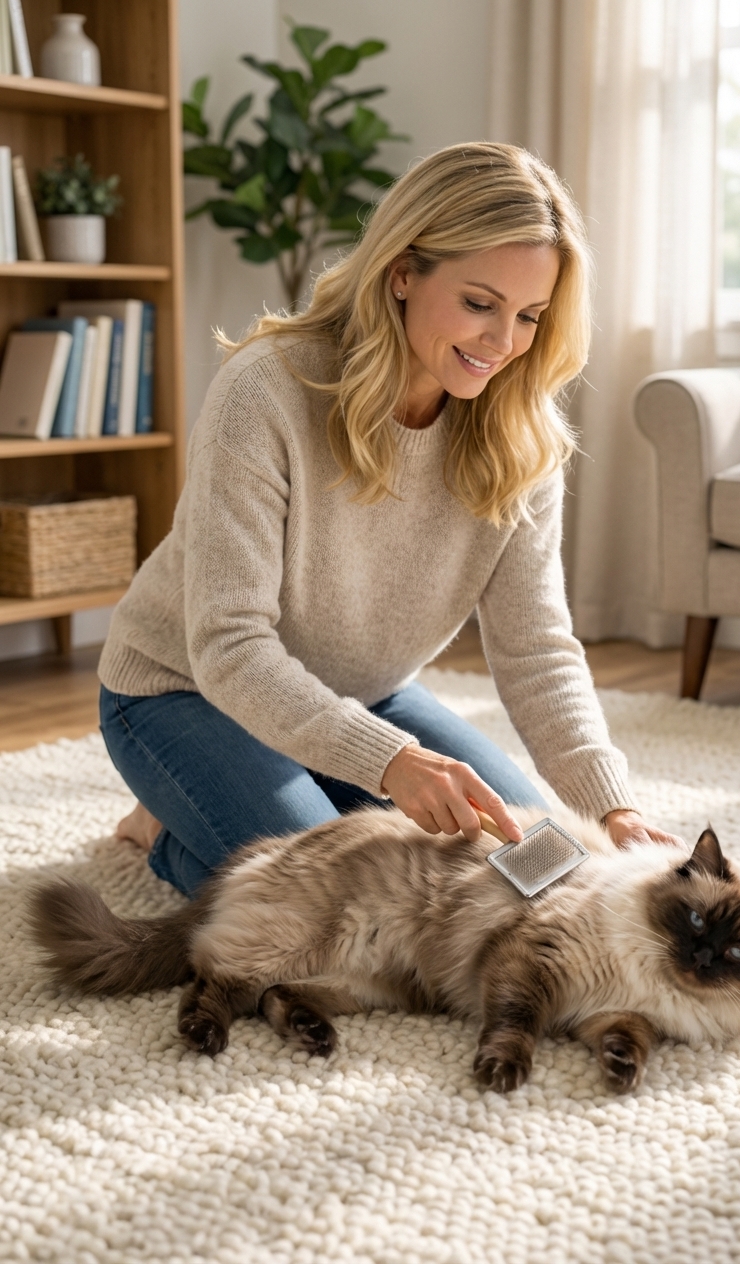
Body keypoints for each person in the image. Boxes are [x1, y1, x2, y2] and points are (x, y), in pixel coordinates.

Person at [99, 142, 680, 898]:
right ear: (402, 272)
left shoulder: (522, 433)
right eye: (478, 303)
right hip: (183, 691)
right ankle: (170, 829)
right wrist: (389, 763)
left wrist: (613, 805)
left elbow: (535, 647)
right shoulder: (266, 391)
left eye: (529, 316)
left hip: (362, 693)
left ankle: (282, 783)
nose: (502, 343)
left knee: (539, 871)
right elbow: (229, 645)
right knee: (334, 900)